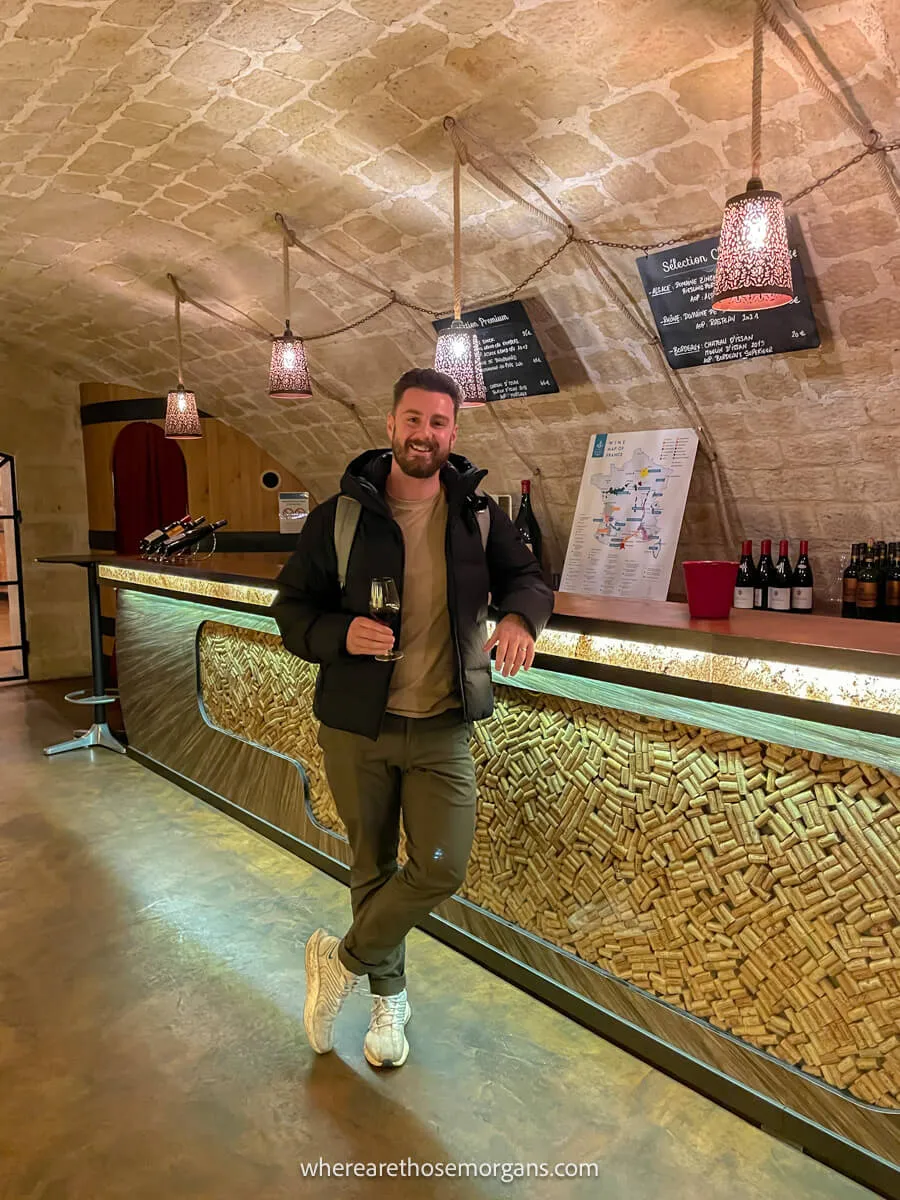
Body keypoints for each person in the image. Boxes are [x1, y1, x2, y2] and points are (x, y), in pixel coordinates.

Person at [272, 367, 554, 1069]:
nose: (424, 433)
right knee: (371, 864)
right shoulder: (339, 516)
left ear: (453, 432)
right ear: (389, 424)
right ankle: (386, 1003)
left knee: (440, 866)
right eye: (412, 419)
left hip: (441, 728)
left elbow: (527, 577)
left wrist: (521, 618)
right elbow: (291, 613)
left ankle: (339, 961)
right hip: (356, 727)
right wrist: (340, 635)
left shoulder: (478, 514)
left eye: (438, 422)